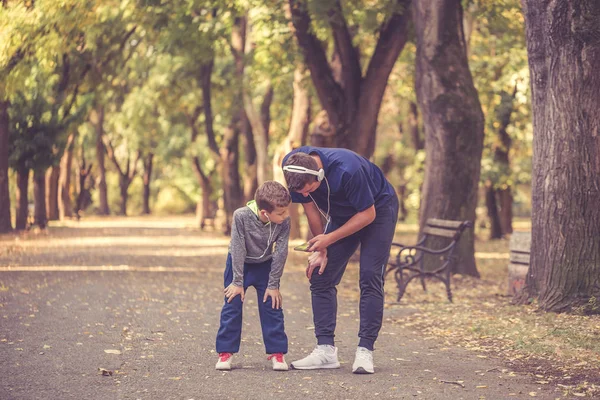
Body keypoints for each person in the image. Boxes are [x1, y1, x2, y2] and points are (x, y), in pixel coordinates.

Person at [282, 146, 399, 374]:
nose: (305, 194)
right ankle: (325, 351)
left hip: (377, 211)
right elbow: (311, 209)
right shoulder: (293, 167)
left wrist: (330, 238)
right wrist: (321, 248)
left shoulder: (348, 169)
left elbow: (368, 214)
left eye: (310, 189)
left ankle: (365, 350)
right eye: (301, 192)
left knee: (369, 275)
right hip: (343, 215)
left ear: (319, 175)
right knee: (320, 273)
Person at [215, 181, 292, 371]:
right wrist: (237, 281)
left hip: (264, 265)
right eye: (280, 213)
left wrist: (273, 284)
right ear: (265, 213)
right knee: (232, 304)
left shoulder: (284, 221)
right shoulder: (241, 216)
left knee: (272, 305)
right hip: (238, 264)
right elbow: (238, 247)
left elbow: (281, 251)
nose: (286, 216)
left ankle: (277, 353)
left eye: (286, 211)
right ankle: (225, 352)